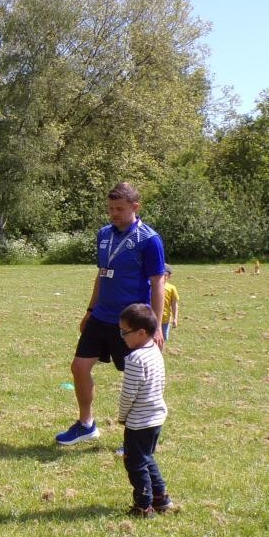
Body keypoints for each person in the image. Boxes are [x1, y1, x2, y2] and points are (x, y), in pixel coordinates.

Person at [56, 182, 166, 446]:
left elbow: (158, 282)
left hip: (130, 323)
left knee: (135, 378)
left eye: (119, 208)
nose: (113, 213)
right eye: (110, 208)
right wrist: (90, 310)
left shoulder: (149, 240)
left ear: (135, 207)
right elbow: (102, 275)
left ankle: (135, 438)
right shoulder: (104, 234)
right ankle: (86, 425)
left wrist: (157, 325)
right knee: (79, 367)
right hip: (101, 317)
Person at [116, 303, 171, 517]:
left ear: (141, 332)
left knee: (135, 463)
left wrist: (122, 417)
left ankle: (144, 505)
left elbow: (129, 394)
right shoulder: (154, 350)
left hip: (139, 422)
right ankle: (161, 498)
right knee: (147, 457)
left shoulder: (134, 359)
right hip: (156, 417)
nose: (121, 336)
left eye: (124, 332)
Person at [161, 265, 179, 345]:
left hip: (165, 319)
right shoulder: (151, 286)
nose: (162, 277)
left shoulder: (171, 288)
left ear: (169, 276)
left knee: (162, 339)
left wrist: (175, 318)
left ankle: (159, 356)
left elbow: (174, 304)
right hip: (152, 318)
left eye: (164, 275)